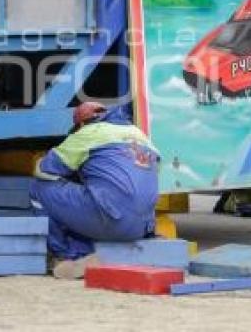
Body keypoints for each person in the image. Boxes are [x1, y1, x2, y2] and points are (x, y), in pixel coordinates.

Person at [30, 102, 160, 279]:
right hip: (141, 228)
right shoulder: (141, 136)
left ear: (81, 124)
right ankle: (90, 251)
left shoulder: (89, 133)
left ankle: (62, 256)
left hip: (111, 217)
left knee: (40, 188)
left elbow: (45, 170)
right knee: (97, 194)